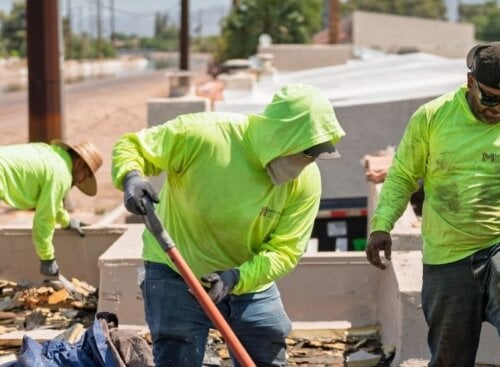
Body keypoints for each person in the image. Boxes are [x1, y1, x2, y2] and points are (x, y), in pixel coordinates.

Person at [111, 83, 346, 366]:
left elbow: (285, 250)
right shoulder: (205, 135)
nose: (311, 161)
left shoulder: (306, 181)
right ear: (283, 137)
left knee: (267, 346)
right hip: (177, 271)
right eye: (308, 152)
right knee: (178, 352)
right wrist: (131, 176)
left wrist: (235, 278)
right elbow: (133, 146)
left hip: (249, 280)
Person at [365, 42, 500, 367]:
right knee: (450, 357)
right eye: (491, 98)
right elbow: (401, 177)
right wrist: (382, 224)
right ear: (470, 83)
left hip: (496, 245)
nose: (498, 109)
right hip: (447, 258)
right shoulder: (433, 117)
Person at [0, 140, 103, 277]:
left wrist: (66, 221)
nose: (82, 181)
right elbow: (44, 219)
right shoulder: (61, 174)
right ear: (79, 163)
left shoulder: (54, 157)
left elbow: (53, 202)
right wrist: (47, 259)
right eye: (86, 175)